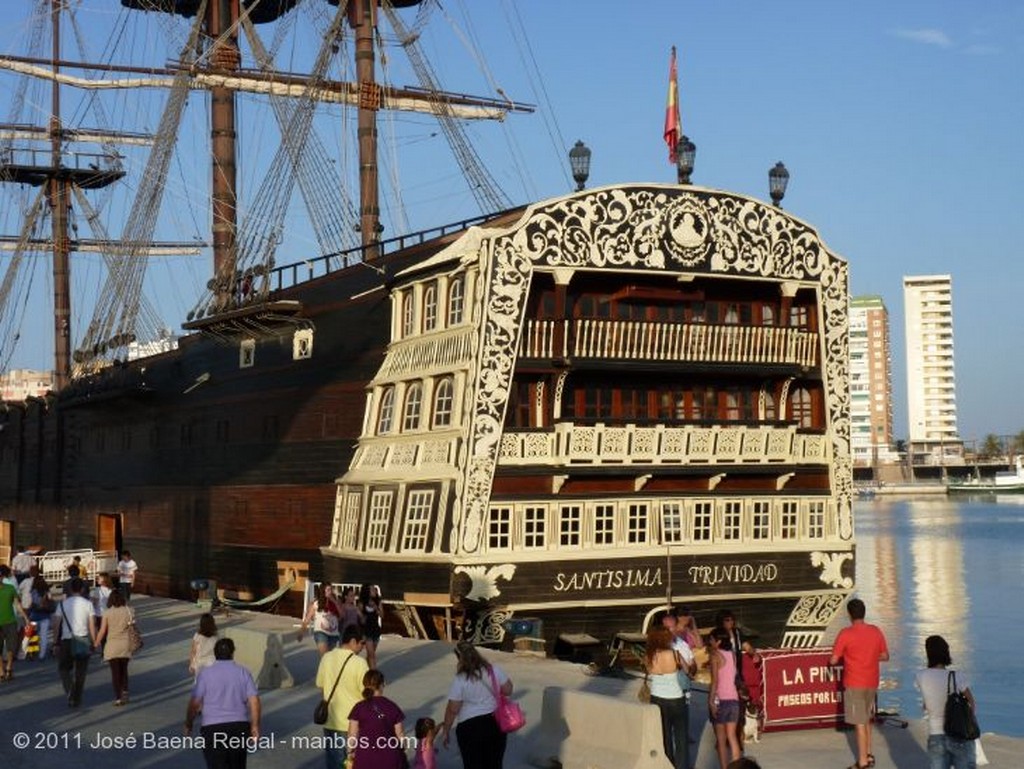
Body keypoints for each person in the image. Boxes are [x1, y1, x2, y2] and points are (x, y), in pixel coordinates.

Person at [829, 598, 889, 769]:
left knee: (859, 723)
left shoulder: (845, 634)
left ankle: (862, 762)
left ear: (849, 614)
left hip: (855, 683)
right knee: (867, 719)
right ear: (864, 612)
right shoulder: (875, 631)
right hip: (872, 682)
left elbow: (833, 660)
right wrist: (870, 657)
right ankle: (868, 755)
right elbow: (885, 656)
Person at [185, 637, 261, 769]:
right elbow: (254, 701)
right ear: (233, 652)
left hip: (212, 729)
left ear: (215, 653)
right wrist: (255, 725)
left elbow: (195, 703)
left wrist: (188, 724)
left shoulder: (205, 674)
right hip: (239, 727)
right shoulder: (243, 672)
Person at [440, 641, 514, 769]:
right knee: (494, 764)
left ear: (459, 658)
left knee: (473, 764)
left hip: (470, 727)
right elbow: (508, 690)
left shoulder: (461, 678)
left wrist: (446, 729)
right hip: (495, 723)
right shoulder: (493, 670)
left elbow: (453, 709)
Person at [914, 635, 977, 769]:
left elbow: (926, 703)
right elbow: (972, 703)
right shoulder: (957, 676)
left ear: (928, 654)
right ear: (946, 653)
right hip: (958, 734)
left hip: (935, 734)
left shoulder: (921, 676)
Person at [315, 625, 369, 769]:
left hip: (330, 722)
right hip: (353, 725)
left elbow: (321, 686)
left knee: (334, 763)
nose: (363, 647)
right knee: (354, 763)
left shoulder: (326, 658)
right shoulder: (360, 663)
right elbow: (367, 695)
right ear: (352, 641)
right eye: (362, 643)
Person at [646, 624, 693, 769]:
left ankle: (668, 765)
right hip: (675, 697)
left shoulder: (649, 655)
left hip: (656, 698)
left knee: (664, 736)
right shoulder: (674, 654)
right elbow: (688, 671)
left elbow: (649, 671)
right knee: (681, 736)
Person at [348, 669, 406, 769]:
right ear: (383, 684)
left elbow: (352, 735)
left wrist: (350, 752)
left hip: (365, 757)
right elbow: (400, 734)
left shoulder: (359, 707)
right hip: (390, 756)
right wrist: (402, 750)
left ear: (365, 685)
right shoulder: (392, 706)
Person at [53, 577, 97, 706]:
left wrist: (55, 642)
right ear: (82, 589)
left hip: (66, 640)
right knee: (81, 671)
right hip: (82, 639)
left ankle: (70, 691)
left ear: (70, 589)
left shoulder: (62, 604)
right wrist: (94, 641)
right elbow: (92, 624)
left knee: (64, 669)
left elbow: (56, 624)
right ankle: (77, 696)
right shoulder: (88, 604)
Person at [708, 627, 742, 769]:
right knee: (732, 737)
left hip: (721, 699)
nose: (710, 642)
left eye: (711, 640)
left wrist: (711, 700)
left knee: (721, 740)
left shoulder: (715, 655)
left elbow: (715, 680)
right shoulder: (732, 654)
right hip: (734, 698)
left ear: (718, 641)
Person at [94, 588, 134, 705]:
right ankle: (125, 690)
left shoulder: (107, 613)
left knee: (115, 673)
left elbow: (102, 631)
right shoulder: (129, 610)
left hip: (112, 644)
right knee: (124, 670)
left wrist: (96, 642)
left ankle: (118, 698)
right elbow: (133, 626)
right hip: (126, 644)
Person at [1, 564, 30, 681]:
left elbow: (17, 604)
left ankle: (8, 667)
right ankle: (2, 672)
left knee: (11, 647)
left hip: (10, 621)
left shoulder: (10, 588)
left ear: (2, 577)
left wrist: (25, 618)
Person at [299, 583, 341, 656]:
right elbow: (308, 618)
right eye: (328, 590)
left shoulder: (335, 603)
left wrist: (334, 601)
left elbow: (342, 614)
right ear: (323, 591)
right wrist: (301, 632)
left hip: (333, 633)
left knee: (329, 659)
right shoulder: (317, 604)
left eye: (331, 590)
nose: (330, 592)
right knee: (324, 657)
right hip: (321, 632)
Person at [27, 574, 55, 661]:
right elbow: (51, 601)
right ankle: (42, 655)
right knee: (43, 636)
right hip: (45, 615)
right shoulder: (47, 591)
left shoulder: (32, 591)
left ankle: (32, 651)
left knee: (32, 635)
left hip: (34, 615)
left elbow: (30, 604)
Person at [360, 583, 384, 668]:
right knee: (371, 654)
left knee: (372, 653)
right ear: (367, 591)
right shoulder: (362, 602)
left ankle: (366, 668)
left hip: (375, 629)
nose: (375, 591)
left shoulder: (378, 601)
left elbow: (382, 615)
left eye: (375, 589)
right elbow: (360, 617)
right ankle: (374, 674)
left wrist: (375, 607)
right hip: (367, 630)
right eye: (372, 589)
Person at [190, 612, 219, 677]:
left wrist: (191, 664)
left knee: (200, 684)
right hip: (212, 663)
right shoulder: (216, 637)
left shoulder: (197, 636)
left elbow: (193, 651)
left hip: (200, 664)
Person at [91, 572, 113, 637]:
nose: (97, 579)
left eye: (99, 578)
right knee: (107, 633)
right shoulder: (111, 590)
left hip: (99, 614)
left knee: (102, 633)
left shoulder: (97, 590)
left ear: (104, 580)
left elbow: (94, 604)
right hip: (109, 614)